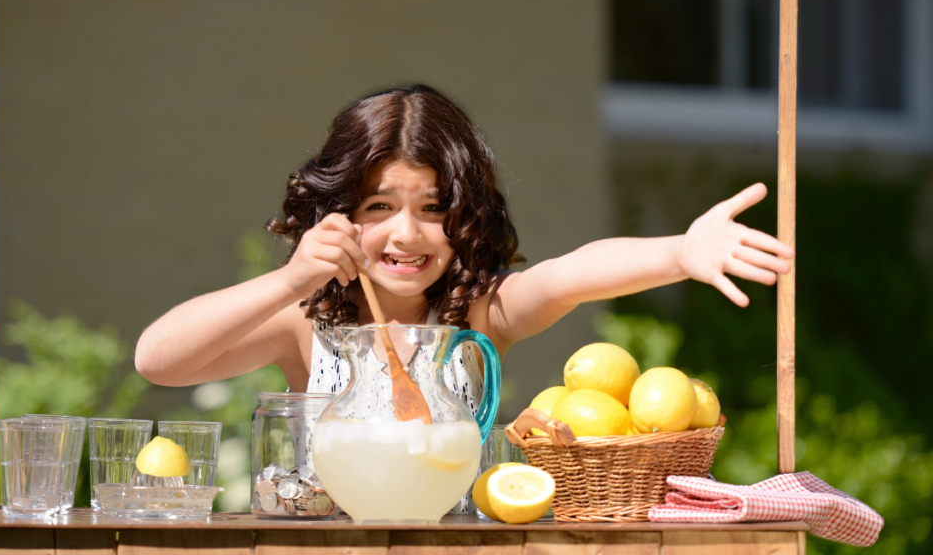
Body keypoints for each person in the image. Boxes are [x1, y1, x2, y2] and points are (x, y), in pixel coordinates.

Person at [134, 84, 794, 406]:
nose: (407, 234)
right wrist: (288, 282)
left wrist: (679, 253)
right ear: (338, 215)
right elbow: (158, 361)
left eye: (433, 210)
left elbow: (570, 274)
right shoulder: (307, 324)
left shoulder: (477, 317)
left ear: (465, 219)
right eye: (378, 208)